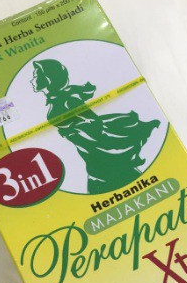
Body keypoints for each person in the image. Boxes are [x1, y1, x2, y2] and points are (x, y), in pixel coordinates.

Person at [30, 59, 160, 194]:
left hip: (107, 169)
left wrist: (78, 135)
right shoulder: (59, 100)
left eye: (35, 76)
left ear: (48, 79)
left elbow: (96, 126)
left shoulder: (68, 101)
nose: (32, 80)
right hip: (97, 170)